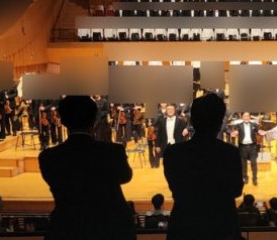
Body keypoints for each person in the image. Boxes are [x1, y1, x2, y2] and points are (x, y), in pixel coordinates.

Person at [39, 95, 136, 240]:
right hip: (111, 228)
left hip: (68, 228)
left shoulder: (48, 157)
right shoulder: (113, 151)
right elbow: (125, 176)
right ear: (93, 119)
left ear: (63, 121)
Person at [163, 93, 243, 240]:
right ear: (220, 122)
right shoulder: (230, 153)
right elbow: (236, 190)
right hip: (222, 229)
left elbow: (177, 188)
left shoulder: (173, 153)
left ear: (192, 120)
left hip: (184, 228)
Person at [154, 104, 188, 168]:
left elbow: (184, 134)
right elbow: (159, 134)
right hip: (165, 145)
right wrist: (157, 145)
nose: (170, 111)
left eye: (172, 109)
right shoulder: (162, 121)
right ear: (166, 111)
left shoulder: (181, 121)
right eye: (168, 109)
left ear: (175, 110)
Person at [232, 111, 261, 185]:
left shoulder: (254, 124)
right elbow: (234, 130)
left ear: (250, 116)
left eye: (247, 116)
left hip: (252, 147)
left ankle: (254, 179)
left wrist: (260, 131)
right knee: (243, 164)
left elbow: (258, 131)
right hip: (242, 147)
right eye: (244, 116)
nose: (246, 118)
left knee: (254, 163)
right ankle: (245, 178)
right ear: (242, 117)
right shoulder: (238, 125)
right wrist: (235, 132)